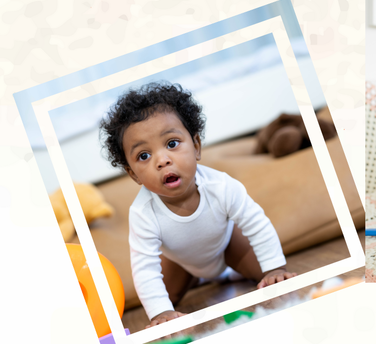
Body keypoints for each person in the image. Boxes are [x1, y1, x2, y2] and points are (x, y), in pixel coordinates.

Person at [100, 82, 295, 327]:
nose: (162, 160)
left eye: (171, 143)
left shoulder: (221, 186)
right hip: (182, 264)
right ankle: (196, 280)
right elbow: (144, 268)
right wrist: (160, 313)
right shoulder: (142, 213)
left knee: (271, 276)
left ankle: (234, 272)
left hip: (227, 246)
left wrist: (275, 268)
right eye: (144, 156)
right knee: (162, 307)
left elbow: (256, 223)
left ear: (196, 146)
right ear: (133, 174)